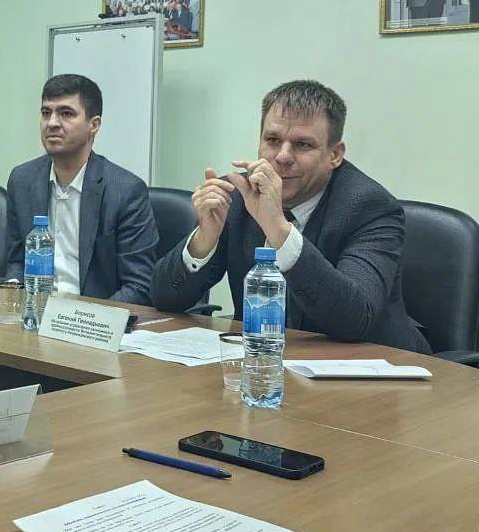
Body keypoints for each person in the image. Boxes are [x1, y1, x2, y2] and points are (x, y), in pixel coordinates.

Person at [150, 79, 429, 353]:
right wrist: (204, 239)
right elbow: (165, 299)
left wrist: (279, 230)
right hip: (264, 364)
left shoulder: (370, 207)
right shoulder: (236, 196)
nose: (283, 156)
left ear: (335, 154)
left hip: (376, 367)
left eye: (302, 144)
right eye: (272, 140)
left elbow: (354, 320)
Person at [5, 74, 157, 305]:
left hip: (93, 318)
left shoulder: (126, 191)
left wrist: (81, 318)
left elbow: (138, 286)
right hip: (35, 314)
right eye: (46, 113)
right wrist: (12, 294)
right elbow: (17, 261)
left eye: (66, 113)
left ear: (93, 125)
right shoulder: (22, 180)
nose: (52, 123)